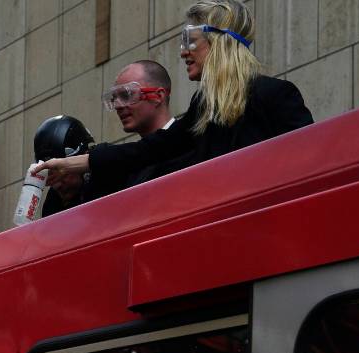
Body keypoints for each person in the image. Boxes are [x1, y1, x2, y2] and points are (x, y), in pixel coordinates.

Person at [35, 0, 313, 192]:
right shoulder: (203, 110)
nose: (183, 52)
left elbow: (309, 165)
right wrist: (73, 164)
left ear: (219, 43)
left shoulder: (275, 95)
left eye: (190, 41)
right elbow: (150, 149)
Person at [42, 60, 175, 214]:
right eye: (114, 98)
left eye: (127, 94)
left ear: (158, 96)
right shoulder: (124, 170)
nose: (118, 105)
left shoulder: (194, 145)